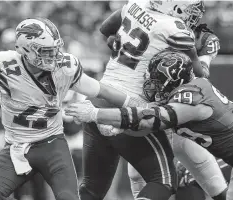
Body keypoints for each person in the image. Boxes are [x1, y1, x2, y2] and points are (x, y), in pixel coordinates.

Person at [0, 18, 145, 200]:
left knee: (68, 197)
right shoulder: (4, 67)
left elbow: (101, 90)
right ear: (24, 50)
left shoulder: (65, 67)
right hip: (16, 146)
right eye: (45, 51)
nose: (53, 56)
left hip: (52, 144)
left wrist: (131, 103)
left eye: (55, 49)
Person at [86, 0, 227, 199]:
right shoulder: (175, 29)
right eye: (190, 9)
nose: (193, 14)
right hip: (139, 101)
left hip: (108, 91)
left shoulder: (137, 4)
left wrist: (125, 51)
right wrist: (207, 56)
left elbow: (106, 32)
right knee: (166, 173)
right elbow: (201, 75)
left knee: (96, 187)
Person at [65, 50, 233, 200]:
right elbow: (148, 114)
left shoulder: (192, 99)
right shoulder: (188, 90)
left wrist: (95, 114)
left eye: (158, 82)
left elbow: (150, 119)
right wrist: (120, 127)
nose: (152, 87)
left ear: (174, 82)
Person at [126, 12, 224, 200]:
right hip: (158, 105)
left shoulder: (201, 39)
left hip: (180, 108)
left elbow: (201, 75)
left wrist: (193, 54)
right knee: (140, 172)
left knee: (200, 172)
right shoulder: (148, 28)